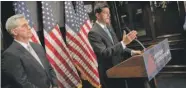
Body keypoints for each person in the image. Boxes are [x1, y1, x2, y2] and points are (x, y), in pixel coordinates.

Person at [88, 3, 141, 88]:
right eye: (105, 13)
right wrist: (123, 43)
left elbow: (117, 46)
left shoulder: (109, 27)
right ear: (97, 15)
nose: (109, 15)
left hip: (119, 69)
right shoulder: (93, 32)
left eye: (109, 13)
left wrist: (132, 52)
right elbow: (104, 53)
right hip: (109, 74)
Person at [1, 14, 58, 88]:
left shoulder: (37, 46)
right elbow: (22, 82)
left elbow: (49, 68)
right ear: (15, 32)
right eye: (24, 26)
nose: (29, 27)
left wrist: (55, 85)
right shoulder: (10, 54)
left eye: (28, 24)